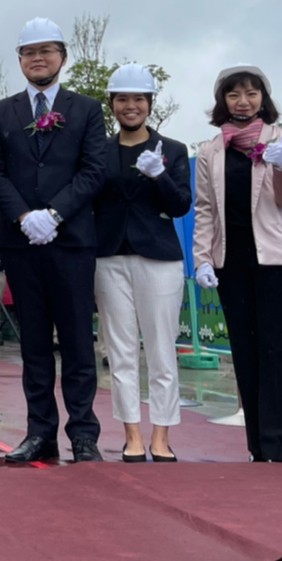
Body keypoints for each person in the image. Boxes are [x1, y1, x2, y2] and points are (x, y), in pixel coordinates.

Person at [0, 18, 106, 464]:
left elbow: (94, 170)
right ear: (19, 60)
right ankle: (40, 432)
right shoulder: (1, 112)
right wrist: (22, 216)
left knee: (75, 341)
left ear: (62, 57)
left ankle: (85, 434)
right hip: (21, 243)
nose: (38, 58)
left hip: (71, 241)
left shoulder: (87, 109)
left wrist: (54, 214)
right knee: (32, 343)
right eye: (29, 52)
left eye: (46, 51)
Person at [192, 65, 282, 463]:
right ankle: (258, 444)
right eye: (234, 94)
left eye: (251, 93)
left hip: (279, 261)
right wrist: (202, 258)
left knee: (277, 348)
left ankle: (281, 444)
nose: (243, 101)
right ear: (222, 101)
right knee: (245, 348)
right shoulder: (211, 150)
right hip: (232, 261)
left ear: (264, 98)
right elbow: (205, 208)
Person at [92, 64, 192, 463]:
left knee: (162, 349)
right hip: (110, 256)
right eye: (122, 99)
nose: (130, 106)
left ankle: (162, 435)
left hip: (159, 258)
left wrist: (160, 176)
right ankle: (132, 433)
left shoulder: (174, 150)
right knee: (121, 351)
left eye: (138, 99)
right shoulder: (98, 150)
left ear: (150, 103)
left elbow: (180, 205)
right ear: (112, 104)